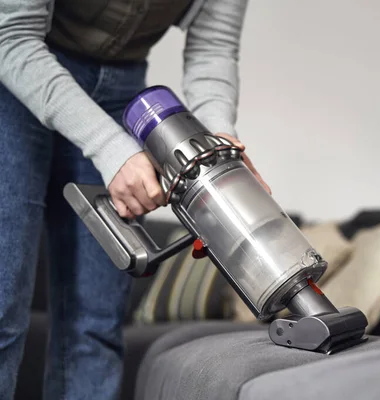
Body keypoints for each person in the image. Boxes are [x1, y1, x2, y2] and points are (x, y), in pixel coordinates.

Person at [0, 0, 269, 398]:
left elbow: (213, 47)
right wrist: (111, 148)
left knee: (95, 325)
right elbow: (10, 35)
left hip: (122, 88)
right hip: (17, 75)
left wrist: (218, 140)